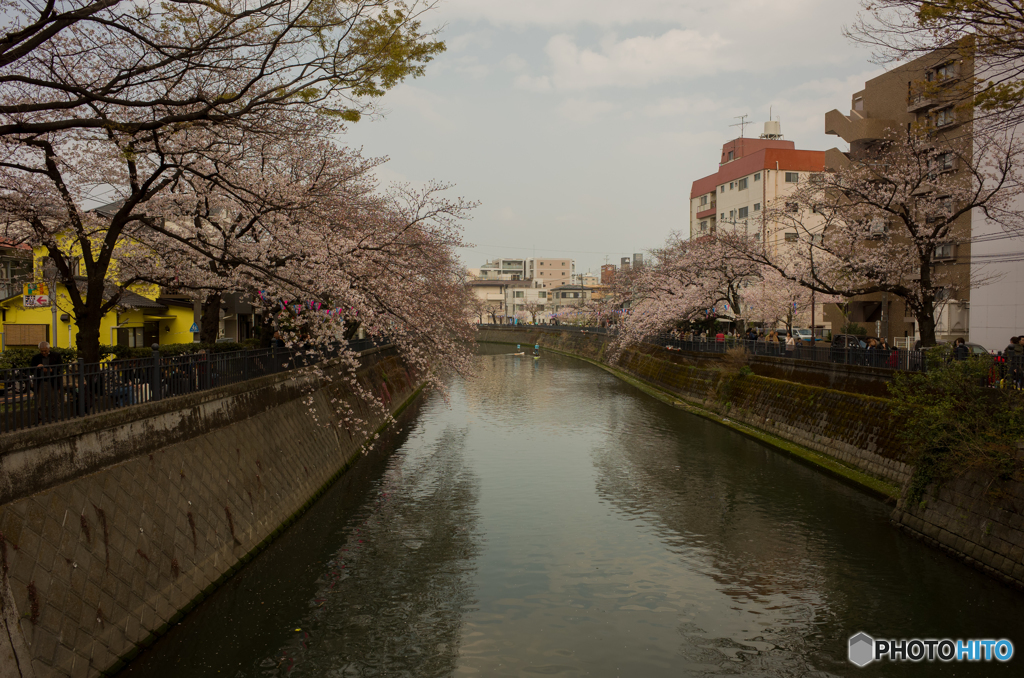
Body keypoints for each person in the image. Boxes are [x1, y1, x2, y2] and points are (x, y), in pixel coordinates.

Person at [30, 341, 63, 423]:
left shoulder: (56, 356)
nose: (44, 353)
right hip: (41, 381)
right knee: (41, 402)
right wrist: (38, 368)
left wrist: (51, 370)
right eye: (42, 351)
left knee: (54, 401)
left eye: (45, 351)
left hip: (53, 381)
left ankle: (55, 418)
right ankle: (42, 419)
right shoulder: (36, 358)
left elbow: (60, 368)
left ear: (49, 349)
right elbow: (31, 369)